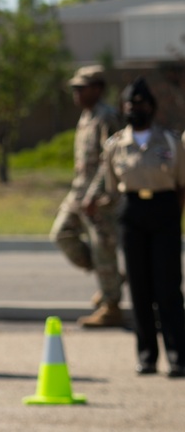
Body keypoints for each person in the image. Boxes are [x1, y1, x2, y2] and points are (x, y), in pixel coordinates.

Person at [101, 77, 185, 378]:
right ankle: (147, 356)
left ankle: (178, 356)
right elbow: (112, 186)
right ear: (124, 108)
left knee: (168, 287)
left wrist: (172, 216)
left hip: (164, 212)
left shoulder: (171, 141)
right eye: (130, 104)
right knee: (139, 289)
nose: (136, 109)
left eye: (141, 104)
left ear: (152, 107)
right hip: (132, 212)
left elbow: (180, 185)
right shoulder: (114, 146)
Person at [50, 65, 124, 327]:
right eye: (74, 89)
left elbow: (110, 161)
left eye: (81, 88)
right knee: (62, 234)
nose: (76, 93)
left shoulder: (107, 117)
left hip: (99, 197)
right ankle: (112, 279)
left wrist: (93, 195)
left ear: (98, 89)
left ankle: (111, 306)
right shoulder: (86, 116)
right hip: (78, 193)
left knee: (102, 248)